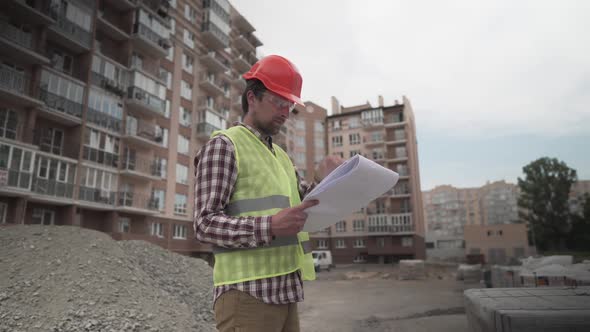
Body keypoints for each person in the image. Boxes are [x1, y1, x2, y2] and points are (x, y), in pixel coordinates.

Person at [193, 55, 343, 332]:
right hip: (247, 294)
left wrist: (324, 179)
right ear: (252, 98)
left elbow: (301, 207)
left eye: (290, 105)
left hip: (285, 290)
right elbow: (204, 224)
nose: (286, 111)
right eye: (279, 101)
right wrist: (271, 225)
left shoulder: (281, 158)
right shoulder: (225, 146)